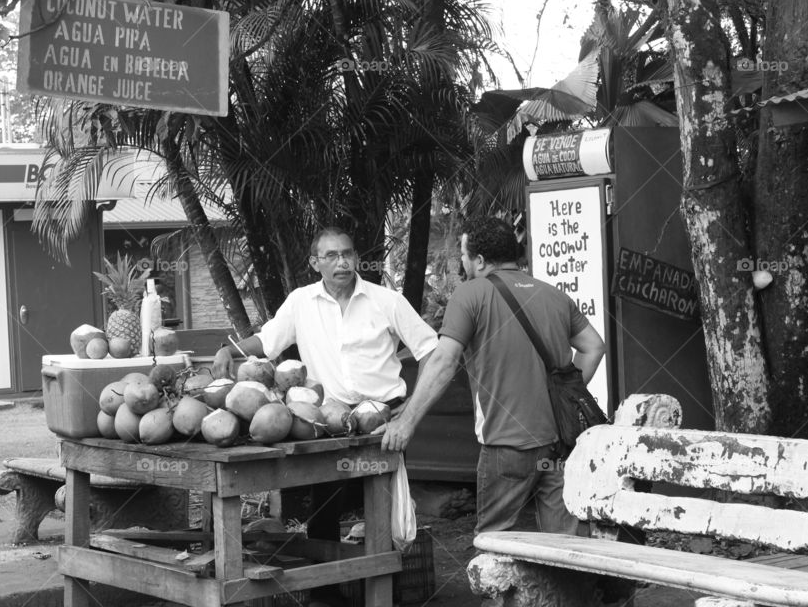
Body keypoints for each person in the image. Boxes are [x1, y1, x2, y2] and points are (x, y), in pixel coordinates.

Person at [211, 226, 437, 584]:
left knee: (386, 505)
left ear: (357, 258)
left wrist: (408, 411)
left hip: (382, 420)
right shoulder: (301, 302)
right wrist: (229, 349)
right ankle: (327, 591)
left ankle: (386, 587)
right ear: (315, 262)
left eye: (347, 253)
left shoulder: (386, 301)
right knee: (325, 506)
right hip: (328, 422)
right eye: (331, 256)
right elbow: (268, 341)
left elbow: (432, 351)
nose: (342, 262)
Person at [378, 216, 605, 535]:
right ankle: (573, 584)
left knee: (495, 544)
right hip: (557, 444)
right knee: (563, 546)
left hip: (505, 446)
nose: (463, 262)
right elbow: (594, 347)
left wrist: (406, 423)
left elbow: (443, 362)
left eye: (464, 255)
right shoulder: (553, 295)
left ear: (480, 260)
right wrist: (565, 395)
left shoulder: (471, 294)